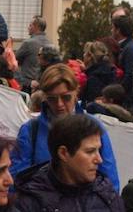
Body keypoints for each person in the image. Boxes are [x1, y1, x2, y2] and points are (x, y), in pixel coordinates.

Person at [10, 63, 120, 191]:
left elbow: (109, 181)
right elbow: (16, 181)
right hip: (41, 201)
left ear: (76, 93)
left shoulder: (94, 127)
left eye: (66, 97)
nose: (60, 104)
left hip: (85, 201)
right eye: (52, 99)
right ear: (44, 97)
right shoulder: (30, 130)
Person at [15, 16, 52, 92]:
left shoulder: (28, 43)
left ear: (36, 27)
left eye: (30, 25)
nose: (28, 27)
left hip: (28, 85)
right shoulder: (51, 44)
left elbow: (14, 60)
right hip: (44, 85)